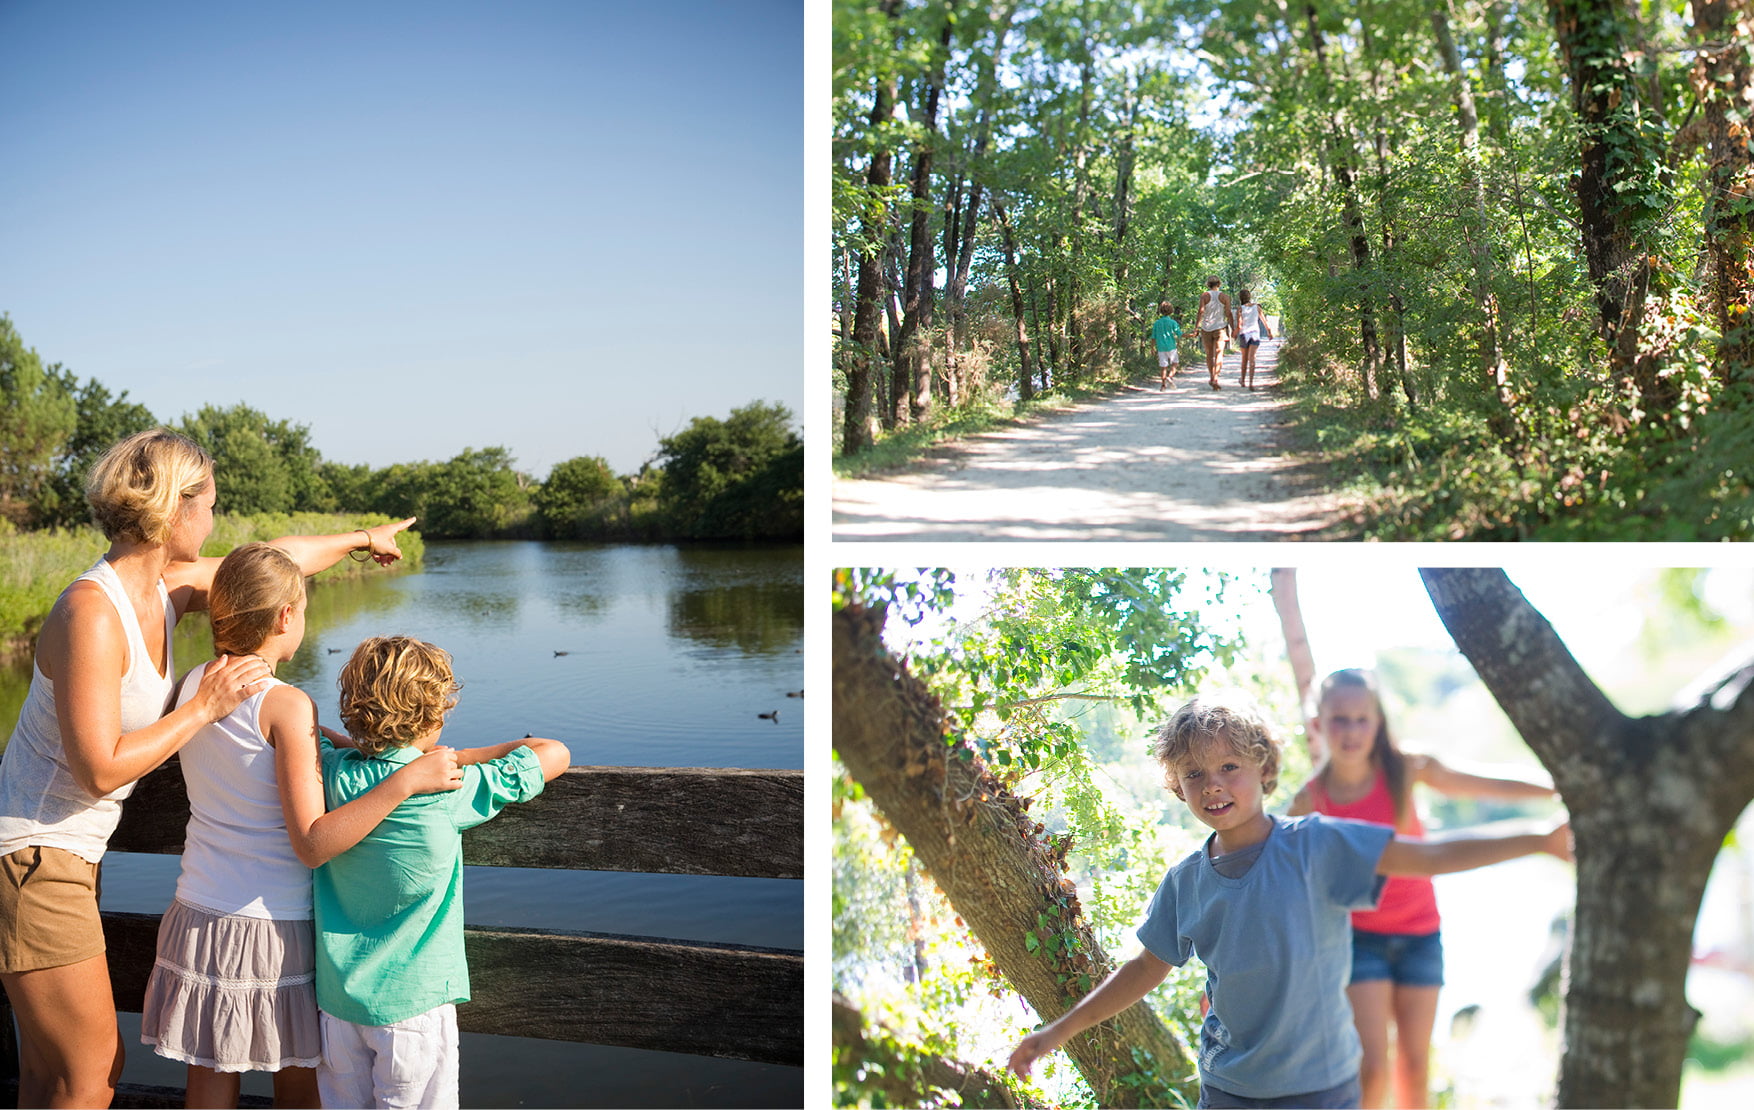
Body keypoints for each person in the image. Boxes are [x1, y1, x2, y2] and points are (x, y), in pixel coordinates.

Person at [0, 428, 416, 1109]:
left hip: (62, 856)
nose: (215, 521)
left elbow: (272, 564)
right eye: (211, 504)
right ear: (176, 507)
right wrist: (204, 707)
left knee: (47, 1076)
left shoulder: (165, 588)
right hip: (32, 856)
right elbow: (100, 768)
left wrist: (362, 538)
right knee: (90, 1072)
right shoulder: (92, 613)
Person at [1007, 694, 1569, 1109]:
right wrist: (1053, 1033)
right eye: (1194, 773)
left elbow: (1427, 858)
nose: (1213, 786)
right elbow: (1142, 970)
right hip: (1229, 1090)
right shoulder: (1186, 882)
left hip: (1322, 1088)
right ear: (1177, 787)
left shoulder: (1316, 843)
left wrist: (1539, 839)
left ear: (1265, 770)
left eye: (1230, 767)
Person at [137, 544, 466, 1109]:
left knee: (210, 1079)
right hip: (271, 927)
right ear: (286, 616)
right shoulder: (286, 705)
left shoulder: (195, 685)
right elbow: (313, 843)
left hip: (199, 910)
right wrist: (403, 782)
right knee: (299, 1086)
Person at [313, 636, 571, 1109]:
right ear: (434, 716)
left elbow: (319, 734)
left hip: (339, 1005)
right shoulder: (447, 788)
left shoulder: (334, 774)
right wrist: (460, 757)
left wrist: (366, 744)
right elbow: (551, 751)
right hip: (414, 1004)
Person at [1287, 669, 1556, 1110]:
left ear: (1378, 721)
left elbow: (1484, 785)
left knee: (1414, 1068)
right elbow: (1289, 887)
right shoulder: (1309, 802)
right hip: (1359, 941)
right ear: (1317, 723)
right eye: (1339, 719)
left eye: (1362, 719)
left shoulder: (1406, 768)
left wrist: (1558, 787)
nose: (1352, 731)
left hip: (1420, 933)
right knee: (1373, 1069)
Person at [1231, 289, 1275, 390]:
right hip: (1255, 334)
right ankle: (1251, 382)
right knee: (1252, 359)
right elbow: (1265, 321)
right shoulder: (1257, 307)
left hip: (1244, 334)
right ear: (1249, 297)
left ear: (1240, 298)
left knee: (1244, 359)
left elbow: (1239, 325)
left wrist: (1234, 333)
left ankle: (1242, 380)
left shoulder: (1240, 309)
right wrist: (1269, 332)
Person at [1196, 276, 1233, 390]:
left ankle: (1212, 376)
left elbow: (1201, 311)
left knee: (1209, 354)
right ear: (1219, 284)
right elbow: (1228, 313)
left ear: (1208, 284)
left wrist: (1196, 327)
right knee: (1219, 353)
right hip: (1220, 328)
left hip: (1206, 328)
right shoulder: (1225, 297)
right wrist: (1234, 328)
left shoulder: (1204, 296)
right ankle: (1215, 378)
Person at [1153, 301, 1183, 391]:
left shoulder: (1157, 323)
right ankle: (1170, 376)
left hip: (1160, 347)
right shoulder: (1173, 322)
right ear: (1171, 311)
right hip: (1171, 346)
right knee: (1175, 363)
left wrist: (1152, 348)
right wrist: (1191, 335)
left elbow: (1153, 337)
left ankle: (1163, 386)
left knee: (1163, 366)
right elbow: (1179, 334)